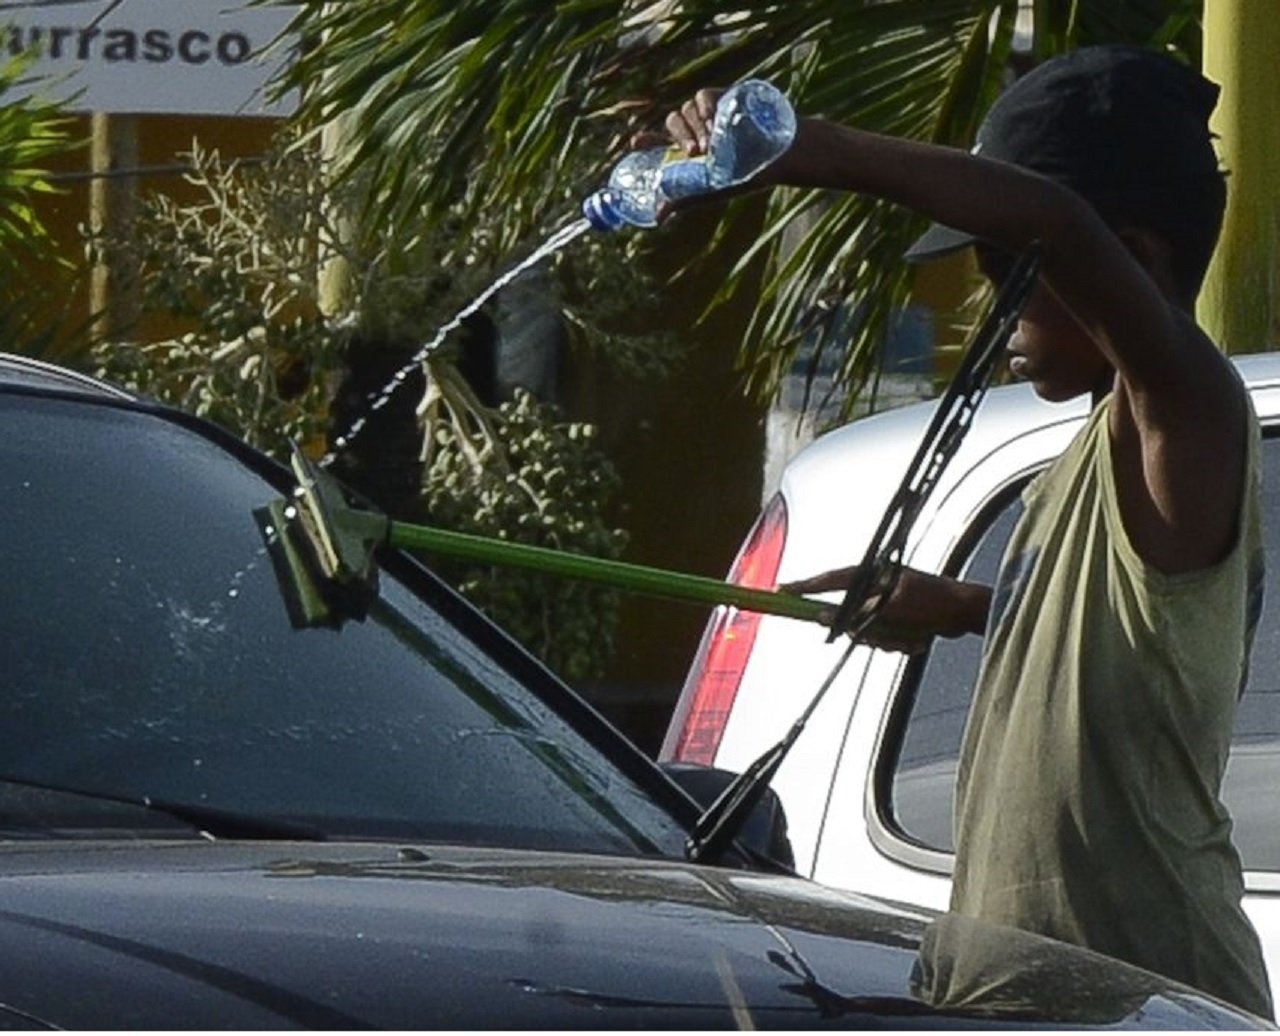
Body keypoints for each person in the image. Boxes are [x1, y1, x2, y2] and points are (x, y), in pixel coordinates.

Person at [656, 45, 1272, 1019]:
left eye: (1007, 272)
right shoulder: (1085, 459)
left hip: (1145, 999)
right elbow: (1122, 643)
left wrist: (814, 151)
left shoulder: (1186, 411)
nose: (994, 310)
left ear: (1130, 260)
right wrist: (956, 605)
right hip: (1021, 995)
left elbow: (1056, 221)